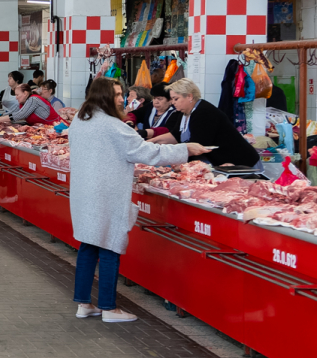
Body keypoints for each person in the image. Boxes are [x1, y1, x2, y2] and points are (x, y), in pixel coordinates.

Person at [69, 78, 208, 323]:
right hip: (106, 194)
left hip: (85, 193)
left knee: (88, 245)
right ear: (103, 97)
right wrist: (186, 150)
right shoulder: (114, 126)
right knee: (111, 245)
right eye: (117, 94)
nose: (122, 98)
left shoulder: (80, 120)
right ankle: (109, 309)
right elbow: (147, 152)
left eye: (122, 93)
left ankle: (84, 304)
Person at [154, 79, 262, 168]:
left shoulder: (204, 112)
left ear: (189, 96)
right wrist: (148, 144)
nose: (173, 102)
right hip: (223, 164)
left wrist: (175, 162)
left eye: (175, 98)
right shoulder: (185, 112)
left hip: (241, 164)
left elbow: (198, 146)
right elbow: (175, 135)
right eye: (172, 99)